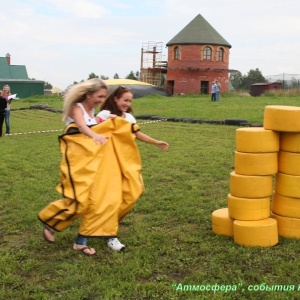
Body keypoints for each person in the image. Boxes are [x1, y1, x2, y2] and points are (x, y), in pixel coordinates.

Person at [72, 86, 169, 254]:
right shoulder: (104, 115)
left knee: (133, 192)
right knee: (103, 199)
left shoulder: (129, 117)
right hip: (106, 165)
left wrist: (155, 142)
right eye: (125, 100)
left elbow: (136, 134)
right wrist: (104, 121)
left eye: (130, 101)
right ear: (115, 99)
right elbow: (91, 131)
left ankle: (106, 225)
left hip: (126, 164)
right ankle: (92, 238)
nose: (127, 103)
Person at [38, 78, 108, 256]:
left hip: (89, 160)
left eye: (104, 97)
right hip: (76, 160)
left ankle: (81, 241)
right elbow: (82, 126)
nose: (102, 99)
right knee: (79, 200)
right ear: (89, 94)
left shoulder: (92, 109)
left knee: (92, 200)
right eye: (100, 96)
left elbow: (91, 124)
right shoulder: (77, 107)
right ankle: (49, 221)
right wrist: (94, 135)